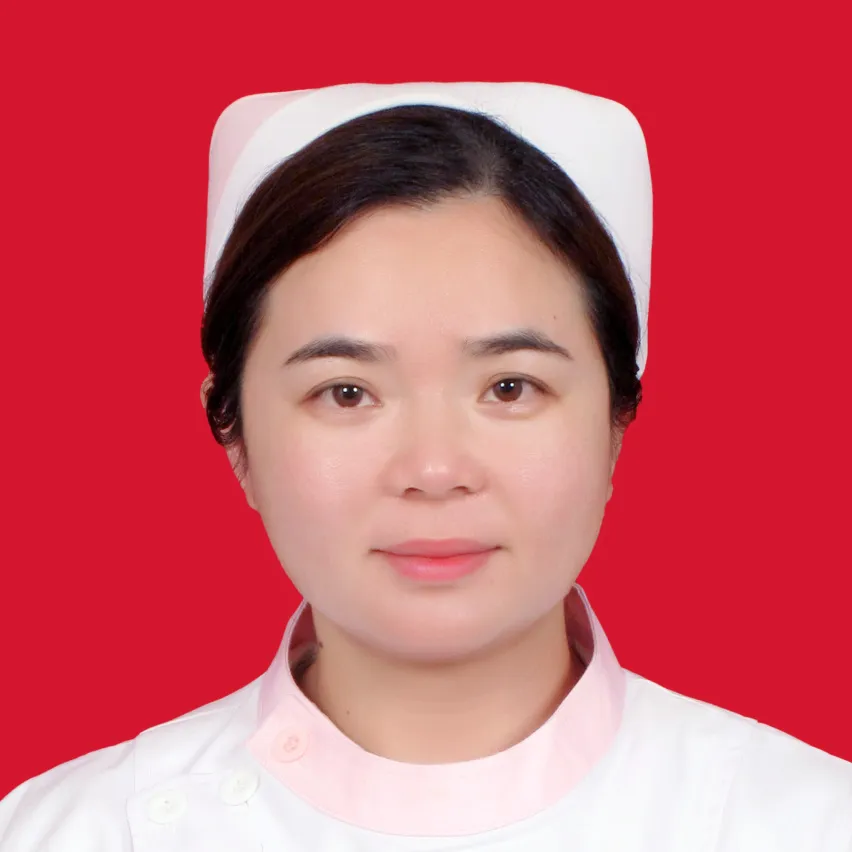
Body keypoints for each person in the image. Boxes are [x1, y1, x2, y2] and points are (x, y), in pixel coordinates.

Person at [1, 81, 850, 851]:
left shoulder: (807, 823)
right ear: (235, 437)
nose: (435, 470)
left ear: (616, 424)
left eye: (510, 387)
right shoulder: (65, 833)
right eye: (346, 393)